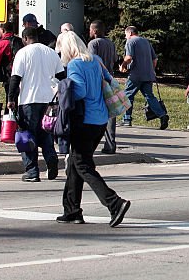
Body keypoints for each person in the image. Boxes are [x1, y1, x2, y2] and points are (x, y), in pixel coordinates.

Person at [54, 32, 132, 227]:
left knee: (82, 165)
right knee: (75, 163)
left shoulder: (74, 65)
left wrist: (61, 87)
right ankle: (72, 210)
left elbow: (79, 91)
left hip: (84, 120)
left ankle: (114, 203)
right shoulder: (95, 60)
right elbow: (108, 79)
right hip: (100, 120)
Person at [7, 26, 65, 182]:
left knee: (27, 136)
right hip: (49, 101)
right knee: (45, 133)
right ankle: (51, 158)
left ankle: (32, 171)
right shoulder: (51, 53)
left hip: (28, 100)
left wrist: (11, 99)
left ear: (25, 39)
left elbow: (15, 78)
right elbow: (62, 76)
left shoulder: (23, 53)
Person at [119, 26, 169, 129]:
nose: (125, 37)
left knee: (128, 95)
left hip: (135, 75)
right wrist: (151, 70)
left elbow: (128, 58)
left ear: (130, 33)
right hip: (148, 75)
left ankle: (127, 119)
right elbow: (155, 60)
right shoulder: (146, 42)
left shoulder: (130, 42)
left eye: (125, 34)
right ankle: (162, 115)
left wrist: (123, 66)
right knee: (150, 96)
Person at [87, 20, 119, 154]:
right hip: (110, 78)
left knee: (94, 109)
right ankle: (111, 143)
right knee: (110, 112)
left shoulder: (93, 44)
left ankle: (90, 143)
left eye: (90, 29)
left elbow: (91, 61)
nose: (89, 32)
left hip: (98, 80)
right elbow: (116, 59)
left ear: (95, 31)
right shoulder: (111, 43)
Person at [0, 22, 22, 99]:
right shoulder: (20, 41)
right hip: (23, 74)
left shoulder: (2, 44)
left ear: (3, 30)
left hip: (8, 75)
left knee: (10, 97)